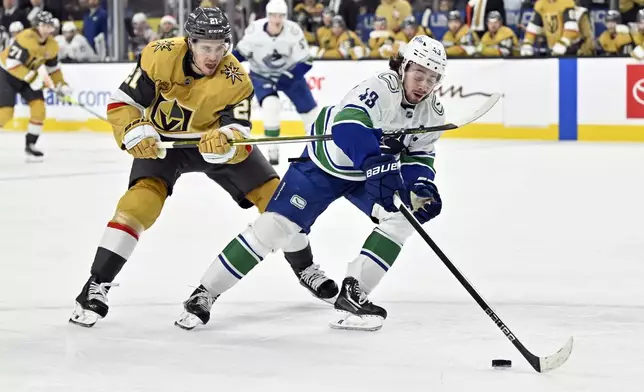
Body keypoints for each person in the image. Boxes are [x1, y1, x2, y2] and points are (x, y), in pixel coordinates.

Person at [68, 6, 336, 328]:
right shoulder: (159, 55)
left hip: (213, 141)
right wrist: (133, 130)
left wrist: (226, 140)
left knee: (278, 202)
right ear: (189, 42)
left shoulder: (236, 78)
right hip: (163, 142)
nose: (212, 55)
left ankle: (305, 268)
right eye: (205, 47)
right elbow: (123, 103)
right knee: (137, 205)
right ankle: (96, 284)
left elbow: (239, 132)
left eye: (219, 47)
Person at [176, 35, 446, 332]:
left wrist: (420, 185)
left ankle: (354, 294)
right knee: (274, 227)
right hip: (325, 164)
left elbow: (420, 156)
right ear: (404, 67)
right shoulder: (381, 87)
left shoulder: (433, 111)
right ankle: (205, 292)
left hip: (366, 172)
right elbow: (348, 126)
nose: (423, 84)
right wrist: (374, 161)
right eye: (418, 74)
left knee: (403, 216)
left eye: (431, 78)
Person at [233, 0, 318, 166]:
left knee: (311, 114)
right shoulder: (254, 30)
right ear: (267, 15)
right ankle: (273, 150)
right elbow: (240, 54)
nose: (277, 20)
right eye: (273, 15)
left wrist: (288, 77)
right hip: (261, 76)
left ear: (285, 16)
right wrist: (226, 64)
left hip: (289, 75)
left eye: (280, 16)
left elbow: (307, 62)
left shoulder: (293, 31)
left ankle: (317, 149)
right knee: (271, 106)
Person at [0, 11, 71, 160]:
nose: (48, 29)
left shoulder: (52, 45)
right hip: (6, 74)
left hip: (27, 76)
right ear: (36, 26)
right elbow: (12, 64)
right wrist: (32, 78)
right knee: (5, 112)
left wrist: (61, 84)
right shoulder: (25, 38)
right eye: (44, 25)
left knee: (39, 108)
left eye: (50, 26)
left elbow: (53, 69)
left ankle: (30, 145)